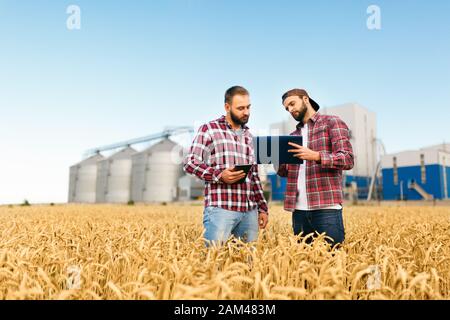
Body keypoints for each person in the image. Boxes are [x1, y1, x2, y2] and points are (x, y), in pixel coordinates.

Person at [183, 86, 269, 246]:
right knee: (213, 261)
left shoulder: (250, 137)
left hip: (249, 212)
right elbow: (190, 162)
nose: (246, 112)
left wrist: (262, 208)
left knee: (248, 263)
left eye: (248, 107)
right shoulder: (208, 129)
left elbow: (254, 176)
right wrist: (219, 175)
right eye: (241, 108)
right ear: (227, 107)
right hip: (221, 209)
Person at [276, 88, 354, 247]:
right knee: (305, 264)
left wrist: (317, 156)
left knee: (333, 261)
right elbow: (285, 172)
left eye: (292, 104)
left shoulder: (331, 122)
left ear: (305, 99)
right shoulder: (292, 137)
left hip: (326, 209)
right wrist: (274, 158)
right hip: (298, 211)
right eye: (287, 108)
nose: (290, 110)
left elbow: (348, 158)